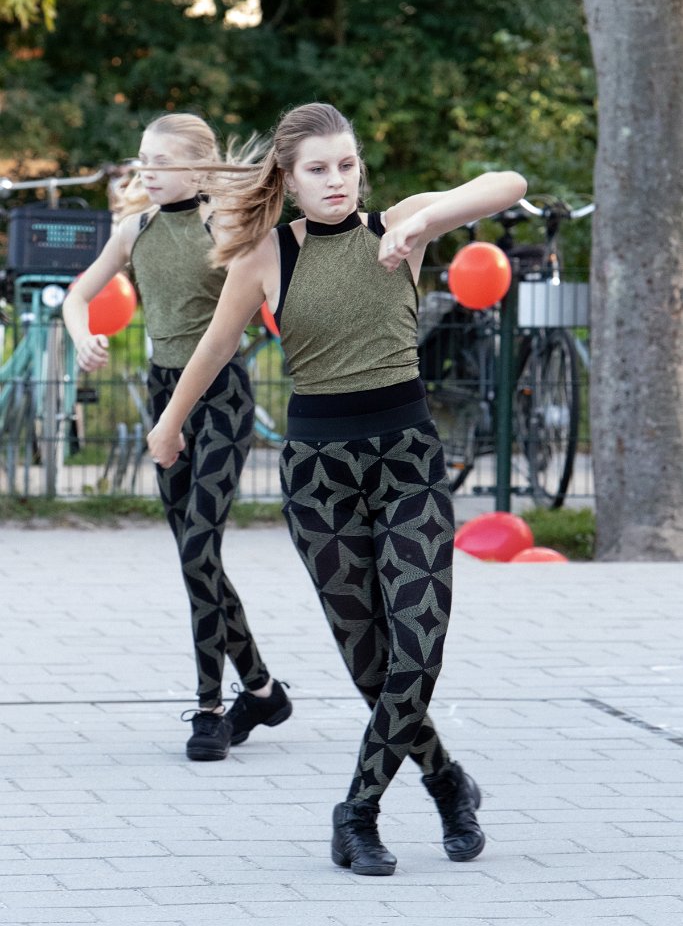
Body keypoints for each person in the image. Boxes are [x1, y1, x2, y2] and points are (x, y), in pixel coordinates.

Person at [147, 102, 527, 874]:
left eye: (346, 165)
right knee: (369, 661)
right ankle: (447, 781)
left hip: (408, 464)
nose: (336, 181)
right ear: (288, 179)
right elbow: (216, 346)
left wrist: (428, 220)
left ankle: (356, 812)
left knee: (417, 651)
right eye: (318, 169)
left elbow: (506, 180)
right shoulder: (265, 255)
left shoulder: (403, 226)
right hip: (319, 475)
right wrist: (169, 425)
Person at [63, 113, 292, 762]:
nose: (146, 172)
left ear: (197, 168)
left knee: (198, 547)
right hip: (166, 396)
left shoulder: (222, 228)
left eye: (161, 162)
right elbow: (76, 298)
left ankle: (209, 707)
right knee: (200, 558)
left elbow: (263, 297)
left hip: (220, 397)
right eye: (142, 160)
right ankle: (263, 690)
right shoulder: (133, 230)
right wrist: (85, 336)